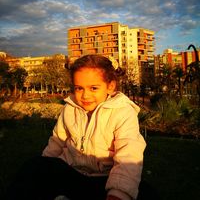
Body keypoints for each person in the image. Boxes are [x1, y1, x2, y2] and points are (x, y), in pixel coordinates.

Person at [6, 54, 146, 200]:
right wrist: (45, 167)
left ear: (110, 86)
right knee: (33, 167)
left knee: (143, 191)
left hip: (104, 178)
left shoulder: (123, 112)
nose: (85, 95)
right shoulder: (70, 109)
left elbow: (129, 154)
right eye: (79, 88)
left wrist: (118, 194)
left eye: (93, 88)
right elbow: (57, 141)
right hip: (70, 171)